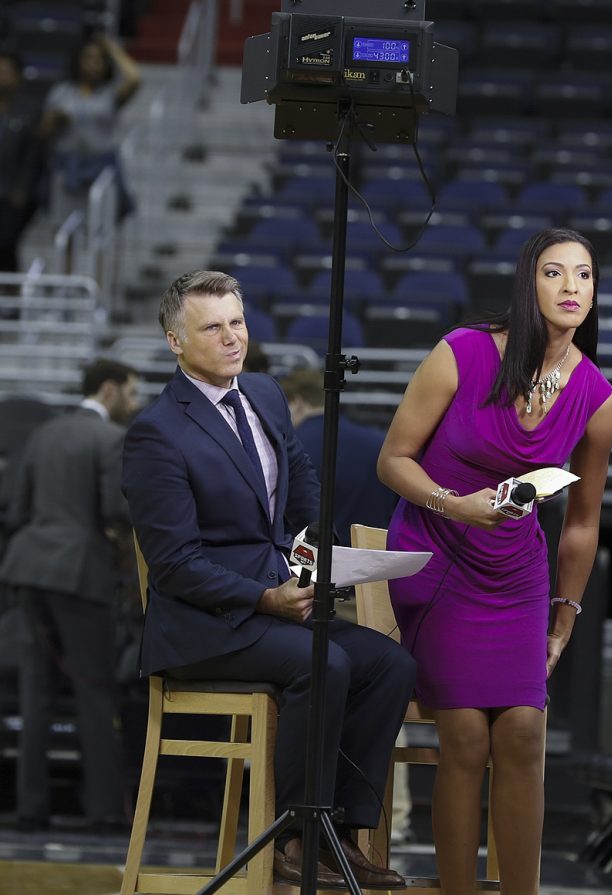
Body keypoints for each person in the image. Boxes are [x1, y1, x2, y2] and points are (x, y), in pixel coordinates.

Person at [121, 270, 414, 889]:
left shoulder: (264, 392)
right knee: (324, 663)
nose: (233, 338)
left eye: (238, 322)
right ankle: (293, 836)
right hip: (206, 625)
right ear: (175, 341)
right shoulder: (156, 433)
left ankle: (342, 837)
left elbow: (301, 478)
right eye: (213, 327)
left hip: (277, 606)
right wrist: (264, 597)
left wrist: (319, 546)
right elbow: (173, 565)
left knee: (389, 663)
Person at [377, 227, 612, 895]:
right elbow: (392, 460)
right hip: (435, 557)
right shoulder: (463, 353)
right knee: (466, 737)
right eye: (555, 273)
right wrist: (457, 505)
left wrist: (563, 617)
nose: (572, 287)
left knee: (522, 735)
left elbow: (583, 521)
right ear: (527, 282)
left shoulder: (596, 397)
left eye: (585, 276)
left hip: (516, 577)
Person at [2, 358, 141, 830]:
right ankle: (102, 810)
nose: (134, 402)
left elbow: (16, 507)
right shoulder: (110, 439)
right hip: (79, 574)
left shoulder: (43, 433)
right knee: (94, 691)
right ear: (108, 390)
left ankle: (29, 808)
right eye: (131, 392)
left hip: (27, 568)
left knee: (35, 693)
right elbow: (113, 510)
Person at [279, 367, 399, 538]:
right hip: (371, 557)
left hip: (308, 559)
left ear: (297, 402)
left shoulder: (288, 448)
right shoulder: (380, 443)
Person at [40, 32, 140, 222]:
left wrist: (112, 49)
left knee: (101, 228)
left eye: (100, 59)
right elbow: (43, 132)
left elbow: (134, 79)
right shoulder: (61, 92)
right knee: (66, 228)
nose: (94, 64)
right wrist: (55, 120)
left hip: (102, 167)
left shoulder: (109, 94)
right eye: (88, 58)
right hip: (67, 166)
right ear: (77, 61)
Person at [0, 48, 43, 272]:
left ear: (18, 76)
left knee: (6, 243)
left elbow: (34, 153)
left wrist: (23, 189)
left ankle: (12, 296)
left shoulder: (30, 109)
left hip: (15, 194)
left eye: (6, 71)